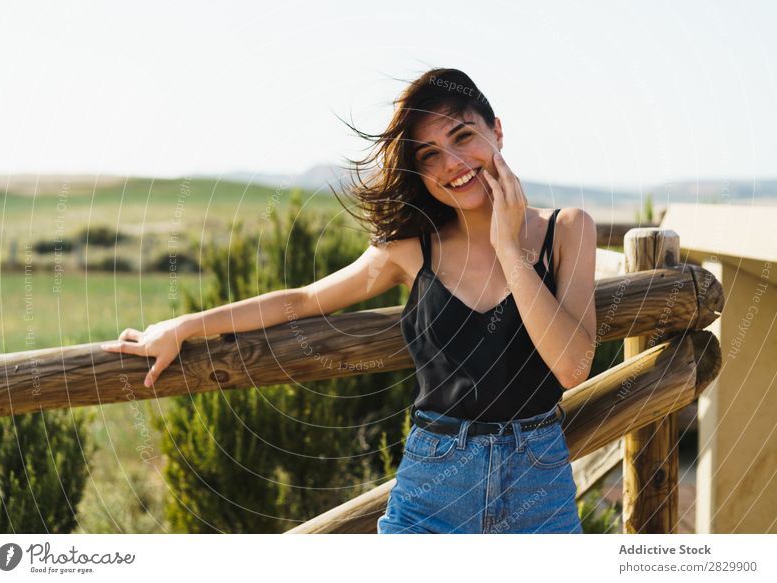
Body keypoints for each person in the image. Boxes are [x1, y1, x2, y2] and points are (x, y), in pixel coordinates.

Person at [101, 67, 597, 534]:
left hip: (539, 483)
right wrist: (185, 326)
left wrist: (509, 247)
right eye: (429, 155)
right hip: (435, 486)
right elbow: (302, 300)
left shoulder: (567, 231)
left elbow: (572, 367)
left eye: (463, 137)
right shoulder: (411, 248)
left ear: (497, 131)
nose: (452, 164)